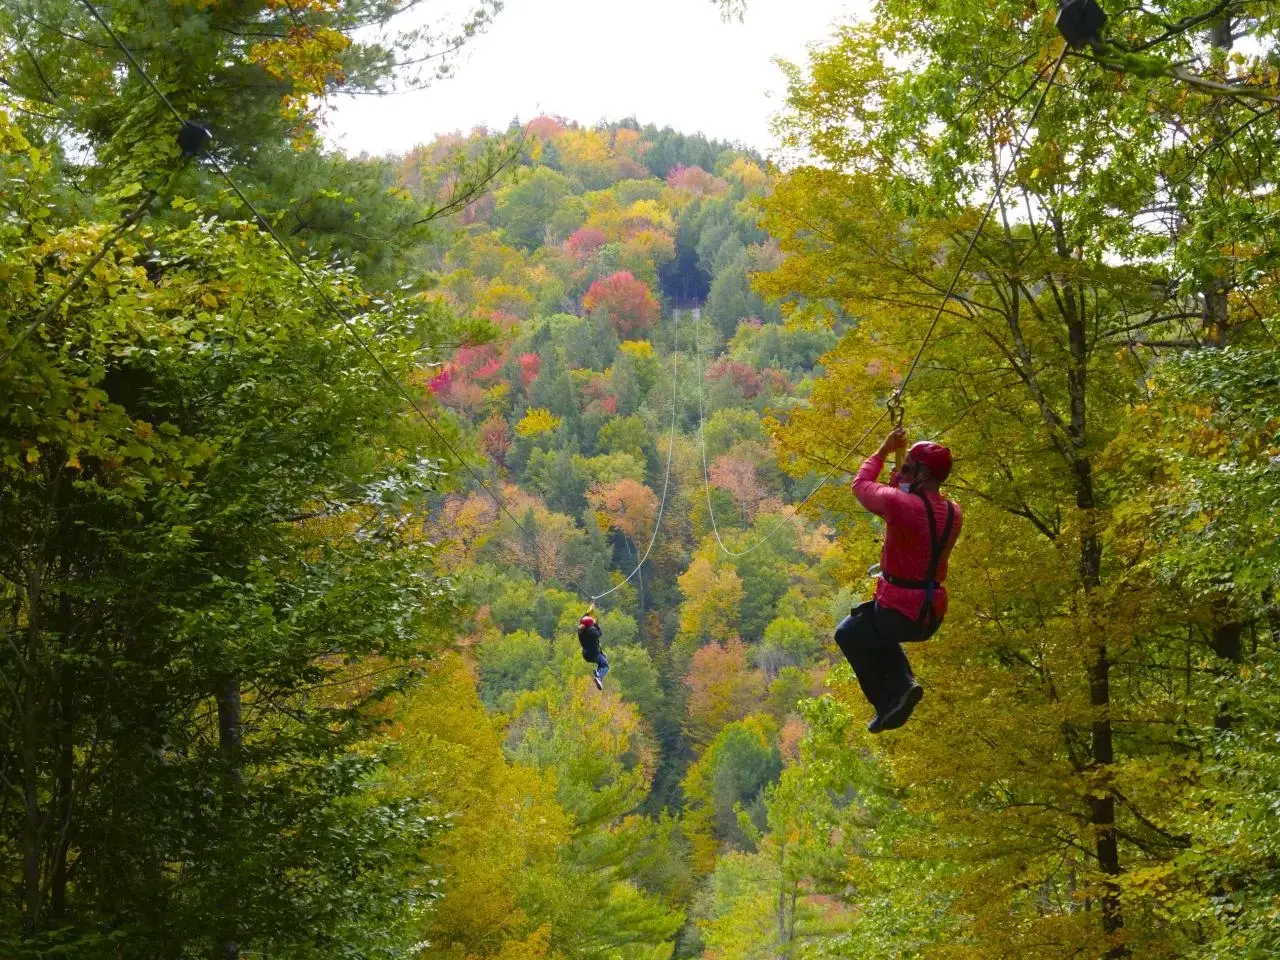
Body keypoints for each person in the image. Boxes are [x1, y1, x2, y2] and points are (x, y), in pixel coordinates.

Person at [835, 426, 962, 733]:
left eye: (907, 469)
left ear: (921, 475)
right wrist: (901, 468)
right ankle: (904, 686)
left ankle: (888, 701)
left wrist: (882, 451)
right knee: (874, 626)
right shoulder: (953, 512)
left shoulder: (903, 506)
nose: (900, 473)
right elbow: (904, 502)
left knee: (849, 633)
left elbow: (861, 486)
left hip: (899, 610)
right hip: (929, 613)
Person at [577, 612, 609, 690]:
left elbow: (582, 620)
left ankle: (598, 672)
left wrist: (588, 612)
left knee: (604, 657)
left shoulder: (580, 631)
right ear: (590, 625)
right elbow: (599, 633)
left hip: (586, 655)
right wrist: (596, 623)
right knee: (605, 666)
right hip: (594, 655)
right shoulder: (592, 633)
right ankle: (599, 677)